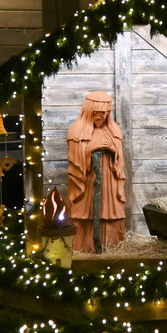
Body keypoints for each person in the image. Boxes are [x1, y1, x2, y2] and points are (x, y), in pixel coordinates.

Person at [66, 91, 126, 252]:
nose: (103, 117)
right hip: (88, 181)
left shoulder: (112, 131)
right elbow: (75, 159)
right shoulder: (77, 131)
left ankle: (111, 246)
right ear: (89, 111)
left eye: (106, 114)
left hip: (109, 179)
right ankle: (84, 247)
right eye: (99, 114)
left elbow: (120, 158)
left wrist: (113, 150)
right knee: (86, 212)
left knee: (109, 210)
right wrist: (90, 149)